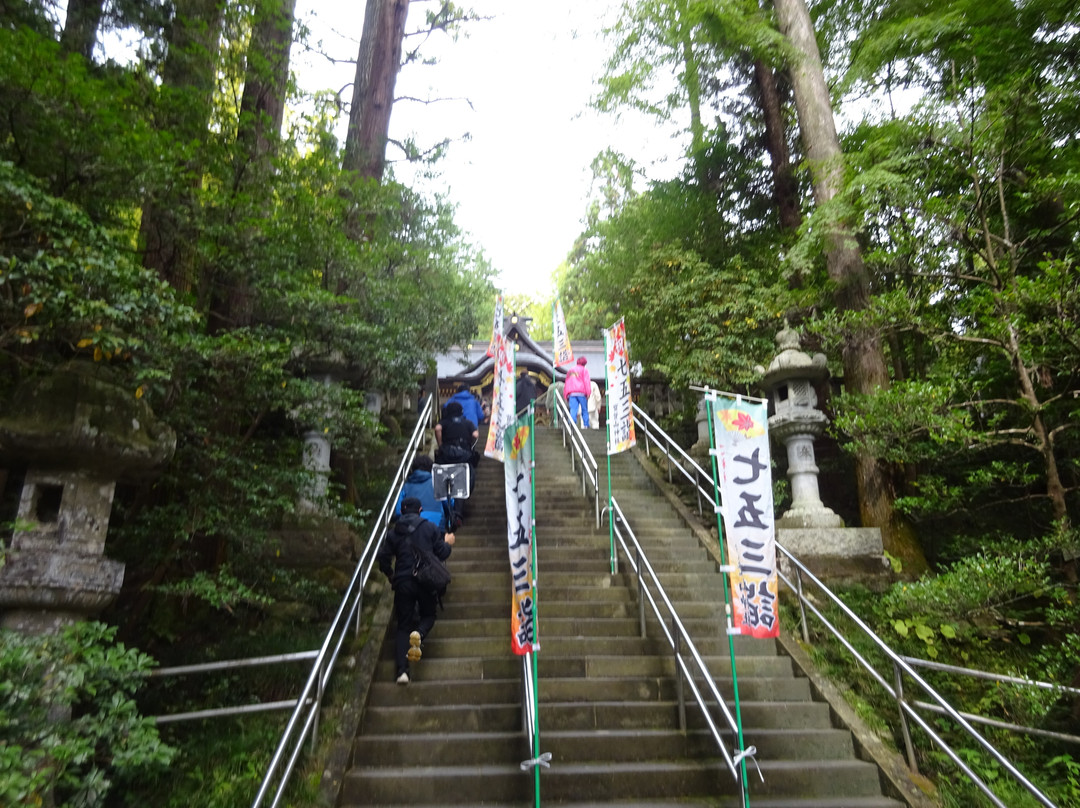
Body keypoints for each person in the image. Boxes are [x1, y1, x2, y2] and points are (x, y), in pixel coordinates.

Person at [377, 496, 455, 685]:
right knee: (428, 615)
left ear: (402, 512)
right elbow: (442, 553)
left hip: (403, 580)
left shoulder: (394, 533)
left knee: (403, 625)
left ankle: (402, 672)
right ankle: (419, 634)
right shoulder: (429, 528)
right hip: (425, 580)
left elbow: (383, 558)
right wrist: (448, 542)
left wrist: (390, 574)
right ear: (420, 510)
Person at [394, 454, 453, 531]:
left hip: (411, 526)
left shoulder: (406, 486)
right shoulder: (437, 483)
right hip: (436, 524)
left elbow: (398, 511)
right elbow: (450, 504)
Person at [563, 356, 591, 429]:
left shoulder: (570, 370)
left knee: (573, 409)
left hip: (572, 393)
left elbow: (567, 382)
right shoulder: (584, 370)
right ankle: (586, 425)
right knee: (584, 409)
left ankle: (571, 423)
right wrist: (588, 393)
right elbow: (587, 382)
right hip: (581, 392)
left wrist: (566, 394)